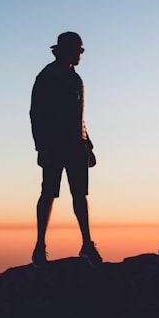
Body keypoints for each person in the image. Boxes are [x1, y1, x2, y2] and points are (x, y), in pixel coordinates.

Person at [30, 31, 101, 265]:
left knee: (80, 195)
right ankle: (40, 247)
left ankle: (87, 244)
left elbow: (78, 116)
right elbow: (36, 113)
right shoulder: (48, 76)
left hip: (75, 146)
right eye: (79, 50)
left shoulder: (75, 78)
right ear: (67, 50)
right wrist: (42, 147)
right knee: (49, 193)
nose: (81, 54)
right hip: (54, 145)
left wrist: (87, 144)